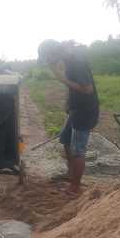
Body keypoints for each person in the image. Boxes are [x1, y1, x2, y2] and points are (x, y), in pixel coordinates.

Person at [38, 39, 99, 195]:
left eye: (47, 58)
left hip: (85, 111)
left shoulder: (76, 62)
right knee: (65, 140)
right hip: (76, 108)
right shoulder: (67, 60)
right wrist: (68, 102)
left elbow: (87, 89)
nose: (47, 62)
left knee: (78, 150)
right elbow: (73, 85)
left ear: (54, 52)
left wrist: (61, 78)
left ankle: (75, 187)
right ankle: (70, 174)